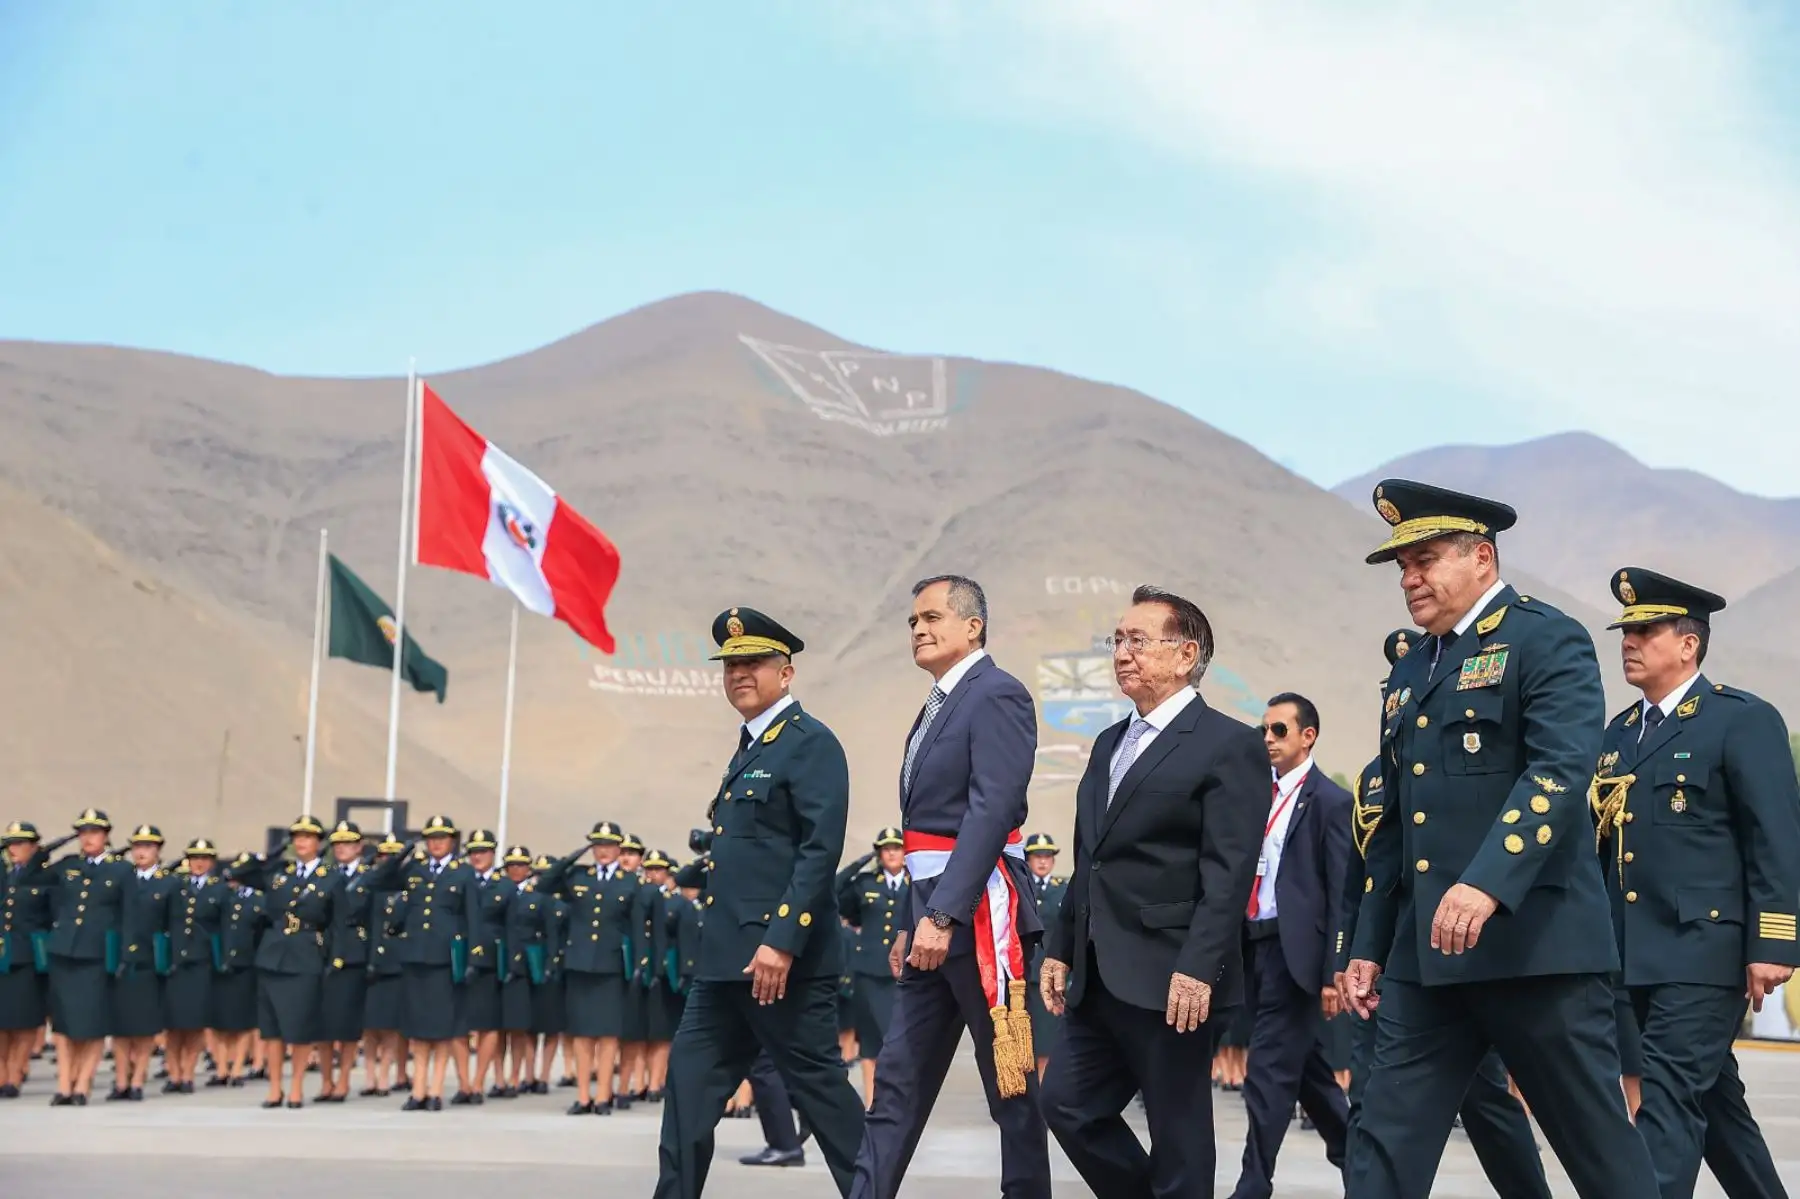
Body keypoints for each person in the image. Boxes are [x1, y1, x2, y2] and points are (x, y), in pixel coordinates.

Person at [1341, 479, 1658, 1198]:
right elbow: (1395, 820)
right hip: (1428, 963)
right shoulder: (1412, 669)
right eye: (1402, 567)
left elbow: (1558, 771)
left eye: (1424, 558)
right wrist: (1367, 943)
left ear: (1481, 556)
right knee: (1381, 1144)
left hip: (1535, 952)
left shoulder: (1545, 638)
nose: (1410, 578)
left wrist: (1486, 880)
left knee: (1602, 1154)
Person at [1037, 584, 1266, 1199]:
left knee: (1178, 1133)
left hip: (1172, 976)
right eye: (1117, 640)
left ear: (1186, 655)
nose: (1121, 653)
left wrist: (1199, 968)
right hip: (1098, 971)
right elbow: (1091, 858)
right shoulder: (1111, 743)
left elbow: (1229, 873)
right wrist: (1060, 945)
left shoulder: (1228, 744)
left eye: (1137, 640)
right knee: (1065, 1104)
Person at [1591, 567, 1800, 1198]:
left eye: (1646, 629)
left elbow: (1775, 837)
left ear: (1689, 644)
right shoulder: (1619, 735)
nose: (1629, 641)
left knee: (1666, 1092)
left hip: (1707, 950)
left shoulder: (1740, 720)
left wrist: (1773, 942)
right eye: (1625, 630)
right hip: (1634, 951)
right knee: (1717, 1105)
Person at [654, 606, 866, 1199]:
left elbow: (818, 851)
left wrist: (781, 941)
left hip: (783, 966)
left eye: (753, 663)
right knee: (687, 1098)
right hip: (723, 965)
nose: (739, 674)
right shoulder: (749, 747)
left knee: (821, 1094)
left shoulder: (810, 744)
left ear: (787, 671)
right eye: (730, 665)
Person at [851, 575, 1051, 1199]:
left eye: (932, 617)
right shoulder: (937, 704)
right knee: (897, 1087)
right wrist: (916, 920)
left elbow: (992, 812)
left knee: (1011, 1092)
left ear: (973, 626)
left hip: (980, 922)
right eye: (912, 621)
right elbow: (924, 836)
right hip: (933, 922)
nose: (918, 629)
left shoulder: (997, 695)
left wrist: (941, 915)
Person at [1338, 631, 1551, 1199]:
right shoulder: (1376, 779)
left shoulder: (1477, 764)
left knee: (1491, 1106)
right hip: (1399, 958)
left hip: (1467, 949)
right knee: (1376, 1104)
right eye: (1393, 690)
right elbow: (1368, 873)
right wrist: (1356, 949)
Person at [1228, 693, 1352, 1198]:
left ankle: (1253, 1186)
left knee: (1269, 1071)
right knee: (1308, 1074)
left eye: (1279, 730)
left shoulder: (1329, 801)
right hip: (1252, 949)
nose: (1268, 740)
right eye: (1264, 730)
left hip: (1295, 956)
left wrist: (1333, 971)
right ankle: (1360, 1166)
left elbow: (1341, 893)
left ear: (1308, 736)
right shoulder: (1259, 795)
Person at [834, 827, 908, 1106]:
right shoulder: (865, 883)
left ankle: (897, 1100)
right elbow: (835, 892)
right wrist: (858, 863)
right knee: (871, 1043)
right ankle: (872, 1102)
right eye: (885, 848)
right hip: (868, 973)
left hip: (903, 974)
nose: (891, 853)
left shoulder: (918, 885)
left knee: (898, 1039)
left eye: (897, 848)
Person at [161, 837, 225, 1095]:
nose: (199, 863)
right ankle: (173, 1071)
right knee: (173, 1023)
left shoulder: (219, 890)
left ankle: (188, 1073)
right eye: (194, 858)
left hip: (201, 961)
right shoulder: (176, 886)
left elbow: (223, 928)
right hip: (176, 960)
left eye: (204, 859)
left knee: (195, 1022)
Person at [1020, 832, 1065, 1080]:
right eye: (1037, 856)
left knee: (1048, 1041)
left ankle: (1045, 1094)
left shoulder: (1063, 890)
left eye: (1047, 856)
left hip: (1051, 973)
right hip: (1023, 970)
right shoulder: (1017, 888)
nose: (1043, 862)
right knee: (1024, 1039)